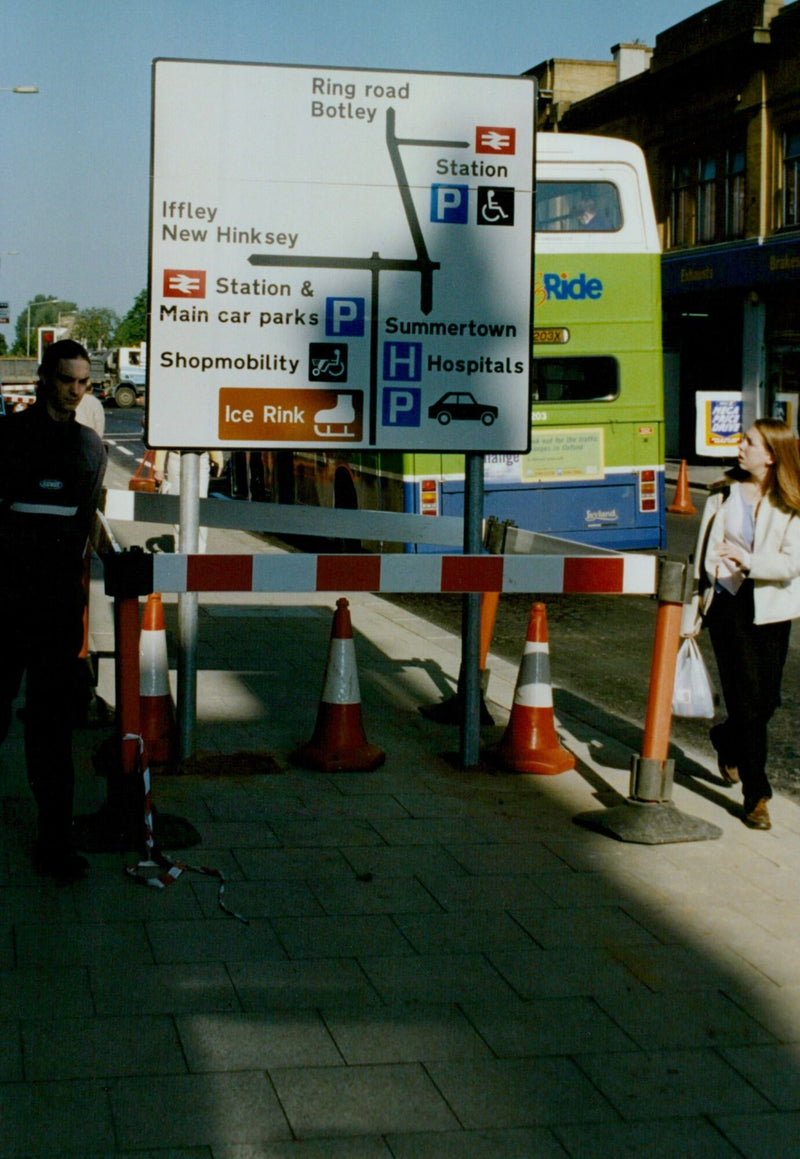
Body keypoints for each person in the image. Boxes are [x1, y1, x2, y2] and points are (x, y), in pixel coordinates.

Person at [0, 339, 107, 878]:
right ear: (45, 378)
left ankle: (54, 845)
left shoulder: (90, 448)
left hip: (56, 610)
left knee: (52, 730)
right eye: (67, 379)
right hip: (4, 604)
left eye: (84, 381)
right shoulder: (9, 438)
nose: (75, 390)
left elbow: (84, 524)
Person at [692, 418, 800, 830]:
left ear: (771, 455)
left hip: (771, 608)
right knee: (745, 701)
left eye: (749, 442)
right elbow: (700, 559)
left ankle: (726, 740)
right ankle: (757, 795)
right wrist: (693, 612)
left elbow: (793, 563)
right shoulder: (721, 494)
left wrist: (750, 562)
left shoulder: (790, 502)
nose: (741, 447)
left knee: (767, 700)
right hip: (727, 605)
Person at [153, 448, 224, 553]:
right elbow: (164, 434)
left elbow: (207, 432)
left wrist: (217, 456)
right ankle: (180, 551)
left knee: (200, 509)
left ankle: (200, 555)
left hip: (200, 458)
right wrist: (159, 468)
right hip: (176, 458)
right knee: (178, 508)